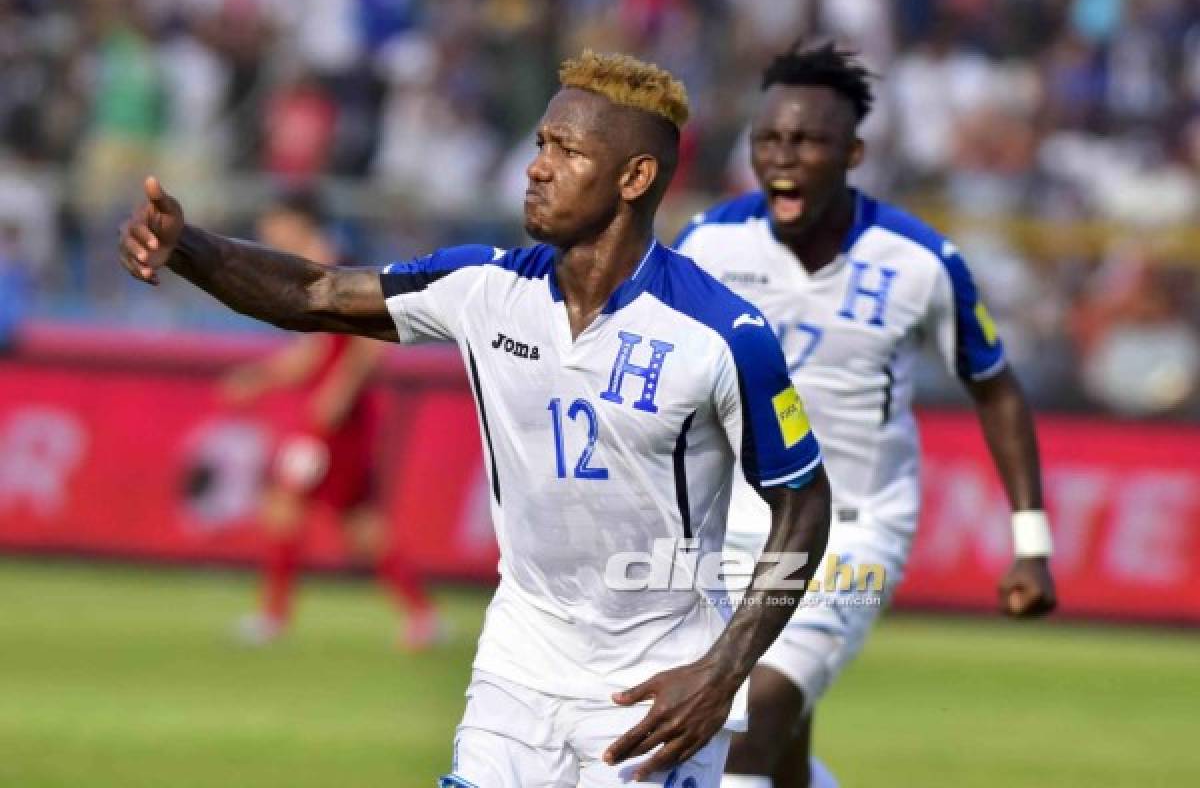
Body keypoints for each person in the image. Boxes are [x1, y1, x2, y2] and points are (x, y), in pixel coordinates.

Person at [118, 51, 833, 786]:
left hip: (656, 688)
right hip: (517, 671)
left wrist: (723, 670)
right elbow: (316, 293)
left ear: (634, 178)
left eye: (568, 150)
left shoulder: (722, 335)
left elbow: (804, 506)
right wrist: (188, 248)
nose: (537, 167)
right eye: (540, 144)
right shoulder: (485, 285)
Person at [674, 43, 1058, 788]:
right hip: (733, 523)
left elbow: (996, 388)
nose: (782, 159)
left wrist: (1031, 541)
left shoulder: (918, 261)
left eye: (808, 141)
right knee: (772, 732)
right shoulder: (710, 245)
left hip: (852, 526)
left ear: (852, 152)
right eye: (768, 140)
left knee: (746, 720)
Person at [219, 189, 439, 649]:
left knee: (285, 504)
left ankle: (272, 617)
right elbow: (313, 352)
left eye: (273, 222)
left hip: (334, 420)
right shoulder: (314, 269)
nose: (267, 233)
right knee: (360, 525)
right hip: (333, 416)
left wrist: (340, 389)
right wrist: (262, 377)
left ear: (297, 220)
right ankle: (420, 614)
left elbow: (375, 336)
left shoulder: (337, 267)